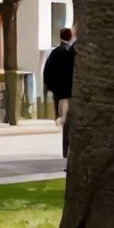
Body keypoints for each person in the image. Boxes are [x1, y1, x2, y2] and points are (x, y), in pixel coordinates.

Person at [42, 27, 77, 157]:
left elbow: (47, 73)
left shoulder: (55, 53)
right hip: (71, 92)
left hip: (60, 93)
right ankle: (69, 149)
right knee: (70, 122)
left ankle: (65, 150)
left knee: (65, 121)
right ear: (71, 37)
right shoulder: (73, 53)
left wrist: (51, 88)